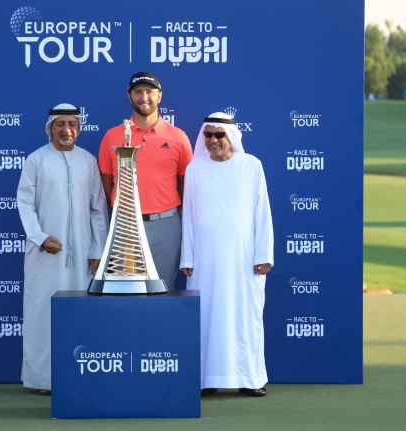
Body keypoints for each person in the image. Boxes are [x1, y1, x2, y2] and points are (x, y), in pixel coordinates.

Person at [180, 112, 274, 397]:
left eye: (219, 135)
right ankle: (207, 379)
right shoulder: (195, 167)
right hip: (205, 260)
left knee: (245, 315)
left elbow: (262, 212)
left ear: (231, 136)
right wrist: (188, 257)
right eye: (208, 135)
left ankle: (250, 378)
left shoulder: (251, 165)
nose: (213, 140)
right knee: (206, 315)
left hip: (243, 258)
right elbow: (189, 216)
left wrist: (263, 255)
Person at [17, 103, 108, 394]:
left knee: (81, 313)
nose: (67, 129)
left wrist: (96, 249)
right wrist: (39, 237)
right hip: (45, 254)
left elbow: (97, 209)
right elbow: (25, 204)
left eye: (72, 124)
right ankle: (44, 379)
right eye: (61, 124)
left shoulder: (88, 160)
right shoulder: (36, 160)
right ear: (50, 128)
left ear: (79, 128)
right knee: (43, 312)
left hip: (83, 256)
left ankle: (78, 373)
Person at [98, 71, 193, 290]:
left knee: (161, 289)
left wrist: (164, 208)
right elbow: (107, 181)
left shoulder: (178, 137)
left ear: (159, 96)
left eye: (149, 92)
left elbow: (186, 182)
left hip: (165, 225)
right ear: (129, 96)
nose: (144, 97)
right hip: (124, 226)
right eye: (138, 92)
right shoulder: (113, 136)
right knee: (125, 291)